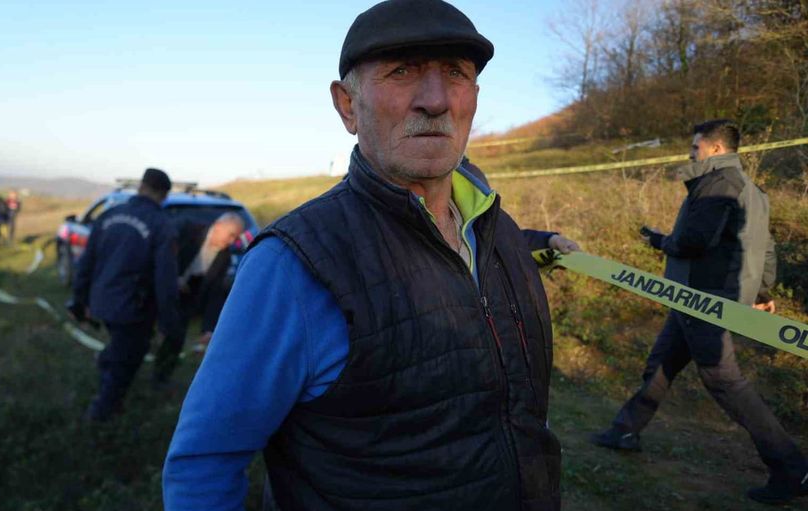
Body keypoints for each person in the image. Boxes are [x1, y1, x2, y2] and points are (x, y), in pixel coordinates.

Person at [163, 1, 570, 509]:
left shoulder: (499, 232)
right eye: (402, 71)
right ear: (347, 106)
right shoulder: (293, 266)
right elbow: (204, 464)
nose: (436, 100)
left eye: (455, 73)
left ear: (474, 97)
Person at [590, 119, 807, 506]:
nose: (691, 154)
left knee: (724, 380)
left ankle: (792, 468)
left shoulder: (717, 183)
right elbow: (766, 246)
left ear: (716, 149)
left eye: (695, 148)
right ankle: (625, 429)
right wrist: (762, 289)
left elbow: (693, 241)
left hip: (703, 298)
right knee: (662, 362)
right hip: (699, 298)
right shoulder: (752, 189)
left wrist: (659, 241)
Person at [69, 168, 181, 421]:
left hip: (102, 300)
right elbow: (165, 281)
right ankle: (100, 415)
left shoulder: (109, 215)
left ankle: (108, 373)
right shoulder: (162, 225)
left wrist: (78, 300)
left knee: (121, 349)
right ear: (164, 195)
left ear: (141, 186)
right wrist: (169, 323)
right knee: (127, 359)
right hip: (134, 308)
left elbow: (86, 263)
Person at [153, 212, 248, 384]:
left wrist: (208, 329)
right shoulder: (187, 230)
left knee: (176, 337)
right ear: (218, 227)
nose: (232, 241)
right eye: (231, 235)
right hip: (159, 287)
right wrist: (172, 279)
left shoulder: (224, 256)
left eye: (236, 238)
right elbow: (160, 256)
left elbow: (215, 294)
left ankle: (160, 378)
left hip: (187, 297)